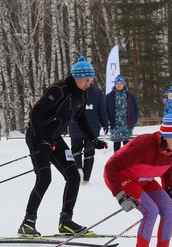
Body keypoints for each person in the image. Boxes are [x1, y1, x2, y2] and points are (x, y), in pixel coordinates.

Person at [17, 56, 108, 237]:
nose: (89, 84)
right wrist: (42, 139)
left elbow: (80, 118)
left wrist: (93, 139)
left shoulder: (83, 93)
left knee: (73, 176)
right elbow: (36, 113)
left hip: (55, 138)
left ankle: (66, 221)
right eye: (86, 80)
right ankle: (28, 222)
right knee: (44, 178)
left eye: (91, 80)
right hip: (38, 136)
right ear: (76, 77)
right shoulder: (59, 90)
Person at [104, 112, 172, 247]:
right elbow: (111, 168)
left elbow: (167, 168)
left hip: (145, 179)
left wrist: (169, 189)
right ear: (166, 135)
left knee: (169, 209)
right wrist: (120, 195)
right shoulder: (145, 144)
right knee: (151, 210)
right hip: (122, 177)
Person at [68, 78, 108, 183]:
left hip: (75, 125)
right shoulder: (97, 92)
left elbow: (67, 108)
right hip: (92, 128)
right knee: (89, 153)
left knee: (76, 150)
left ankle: (78, 169)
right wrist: (105, 124)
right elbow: (102, 110)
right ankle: (86, 178)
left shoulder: (72, 90)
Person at [105, 75, 139, 152]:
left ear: (124, 84)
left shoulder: (130, 96)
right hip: (115, 125)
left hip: (127, 125)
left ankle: (127, 162)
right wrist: (107, 121)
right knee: (116, 146)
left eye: (121, 83)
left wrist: (133, 121)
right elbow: (105, 110)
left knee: (127, 147)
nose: (119, 85)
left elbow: (136, 109)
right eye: (117, 83)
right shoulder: (109, 96)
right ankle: (116, 162)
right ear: (115, 85)